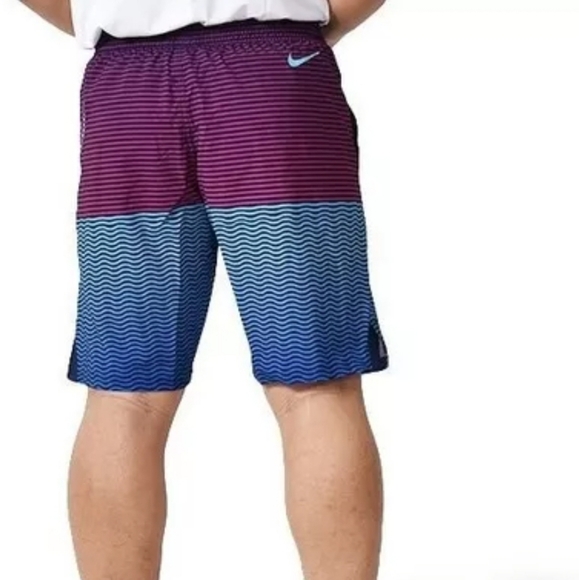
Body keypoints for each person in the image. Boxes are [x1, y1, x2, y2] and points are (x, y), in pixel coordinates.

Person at [18, 0, 389, 579]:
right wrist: (298, 25)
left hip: (129, 90)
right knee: (315, 387)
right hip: (273, 76)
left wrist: (109, 11)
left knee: (126, 395)